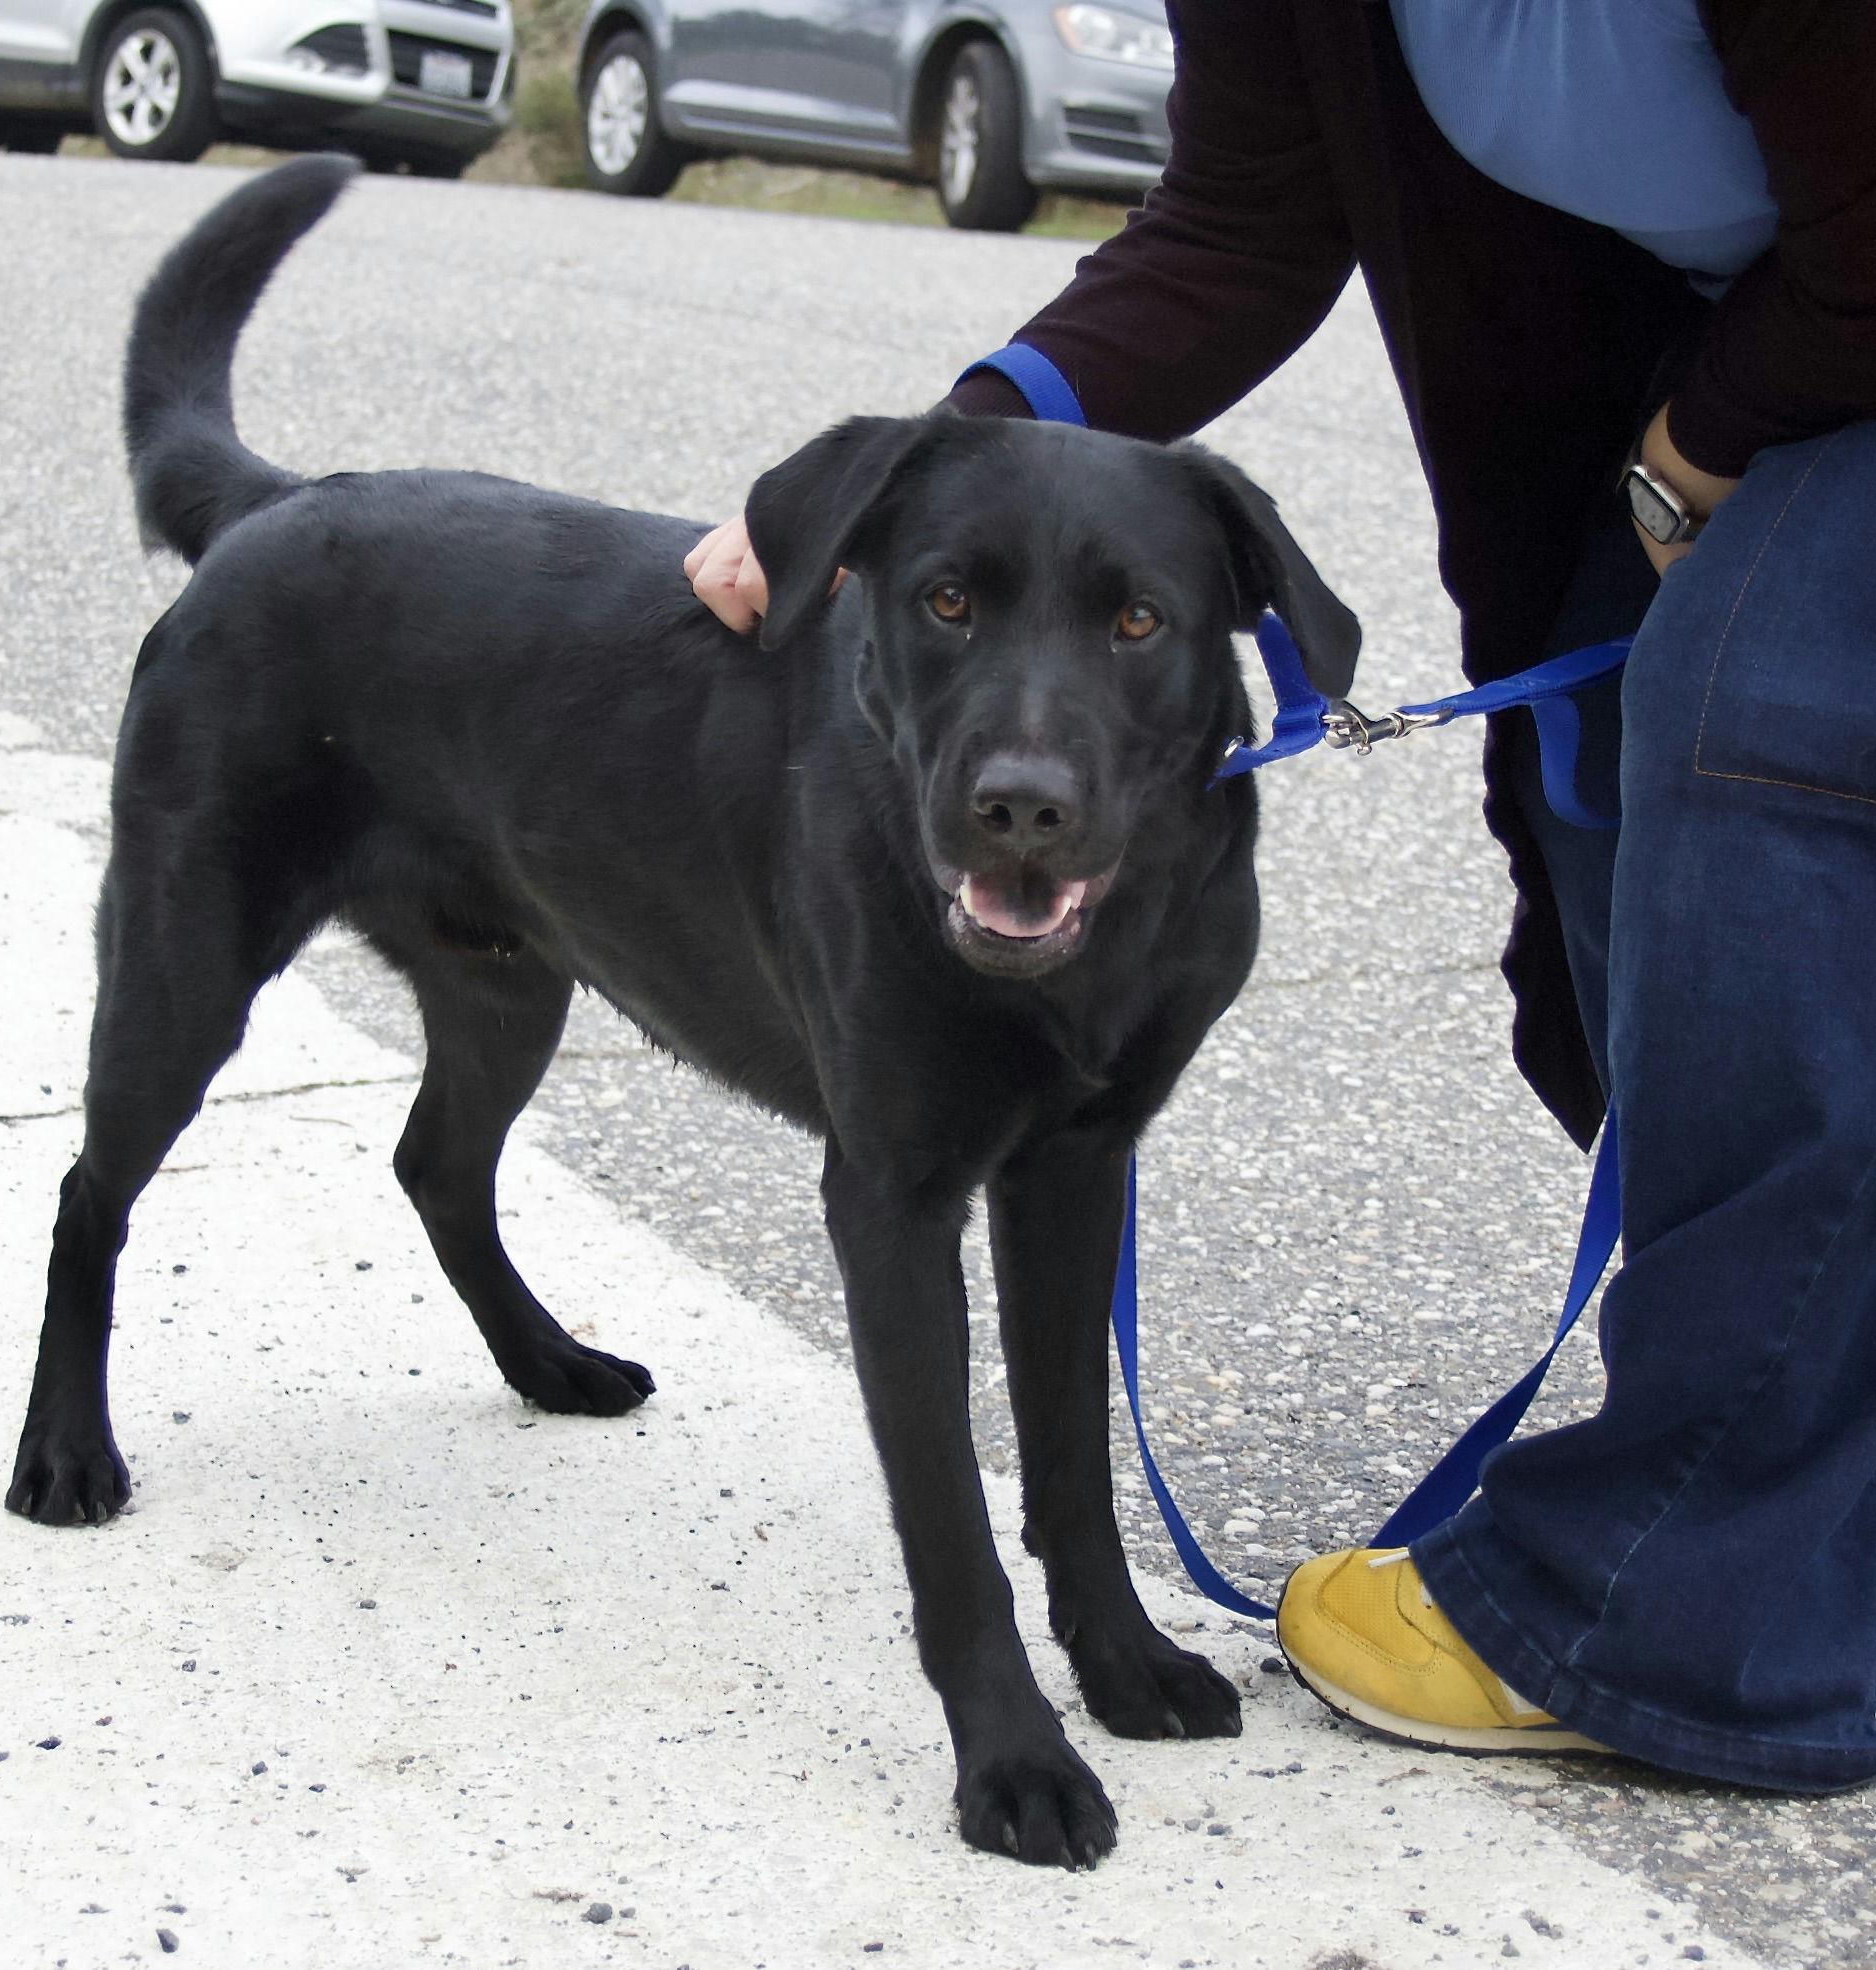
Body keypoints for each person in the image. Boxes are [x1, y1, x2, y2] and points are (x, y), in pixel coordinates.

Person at [685, 0, 1876, 1792]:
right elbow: (1240, 223)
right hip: (1710, 362)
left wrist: (1682, 458)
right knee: (1611, 827)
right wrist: (921, 476)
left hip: (1823, 340)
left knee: (1749, 755)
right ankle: (1813, 1429)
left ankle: (1699, 1603)